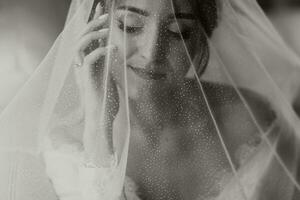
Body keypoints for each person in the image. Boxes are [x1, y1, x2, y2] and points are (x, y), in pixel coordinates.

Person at [0, 0, 299, 200]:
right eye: (130, 25)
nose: (152, 52)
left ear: (201, 38)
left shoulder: (253, 121)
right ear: (97, 29)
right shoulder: (67, 149)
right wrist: (98, 131)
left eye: (177, 32)